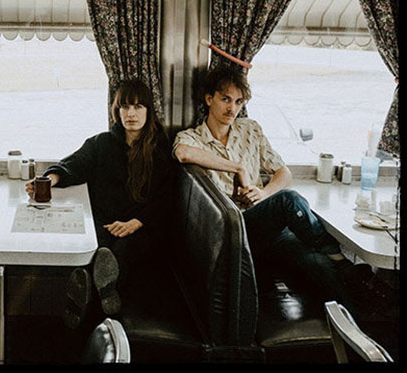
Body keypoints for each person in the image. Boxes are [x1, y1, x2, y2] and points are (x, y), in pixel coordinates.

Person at [172, 65, 357, 312]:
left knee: (320, 266)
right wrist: (237, 167)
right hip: (235, 231)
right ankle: (338, 256)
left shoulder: (250, 129)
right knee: (288, 200)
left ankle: (354, 327)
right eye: (225, 99)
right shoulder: (192, 137)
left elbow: (284, 172)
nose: (232, 108)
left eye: (238, 102)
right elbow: (183, 153)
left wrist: (263, 193)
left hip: (267, 224)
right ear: (209, 99)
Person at [27, 78, 177, 329]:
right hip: (105, 222)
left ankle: (86, 299)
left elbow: (166, 197)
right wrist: (49, 180)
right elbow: (74, 164)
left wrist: (137, 222)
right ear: (116, 110)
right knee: (97, 248)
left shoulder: (161, 148)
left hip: (142, 226)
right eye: (125, 106)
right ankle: (104, 295)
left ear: (149, 111)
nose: (131, 113)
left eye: (138, 107)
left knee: (122, 252)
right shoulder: (102, 143)